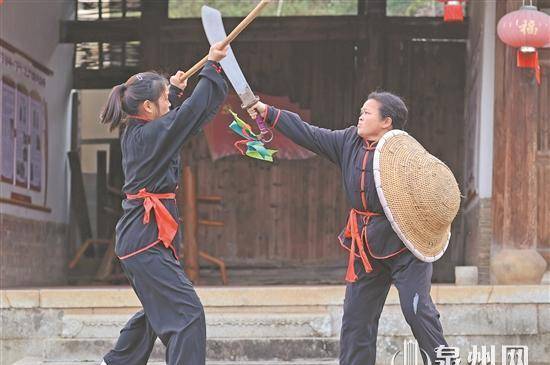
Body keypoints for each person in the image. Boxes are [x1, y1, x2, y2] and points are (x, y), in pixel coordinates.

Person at [247, 92, 450, 365]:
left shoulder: (407, 156)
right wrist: (268, 113)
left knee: (416, 311)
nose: (361, 116)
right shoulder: (348, 141)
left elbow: (433, 196)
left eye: (367, 113)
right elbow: (309, 134)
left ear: (386, 121)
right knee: (356, 319)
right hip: (365, 245)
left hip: (405, 245)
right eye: (362, 111)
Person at [98, 42, 228, 365]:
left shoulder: (141, 131)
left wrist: (175, 90)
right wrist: (211, 66)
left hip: (140, 240)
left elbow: (179, 123)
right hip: (144, 241)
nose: (168, 101)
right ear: (147, 108)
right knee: (187, 315)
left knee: (157, 313)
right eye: (164, 99)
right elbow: (182, 121)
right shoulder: (146, 137)